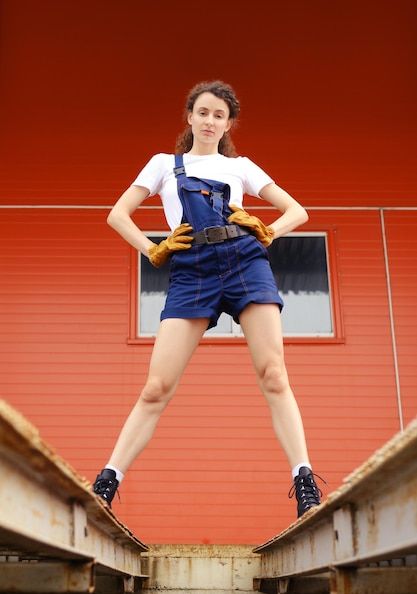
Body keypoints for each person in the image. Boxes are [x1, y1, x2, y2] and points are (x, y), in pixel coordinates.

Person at [93, 79, 323, 519]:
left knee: (273, 374)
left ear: (228, 123)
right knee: (156, 387)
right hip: (191, 269)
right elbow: (117, 215)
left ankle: (304, 480)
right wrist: (153, 248)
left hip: (245, 262)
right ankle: (106, 482)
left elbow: (298, 211)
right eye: (203, 112)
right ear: (190, 117)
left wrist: (269, 229)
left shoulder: (242, 168)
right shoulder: (164, 164)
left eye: (219, 115)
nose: (210, 121)